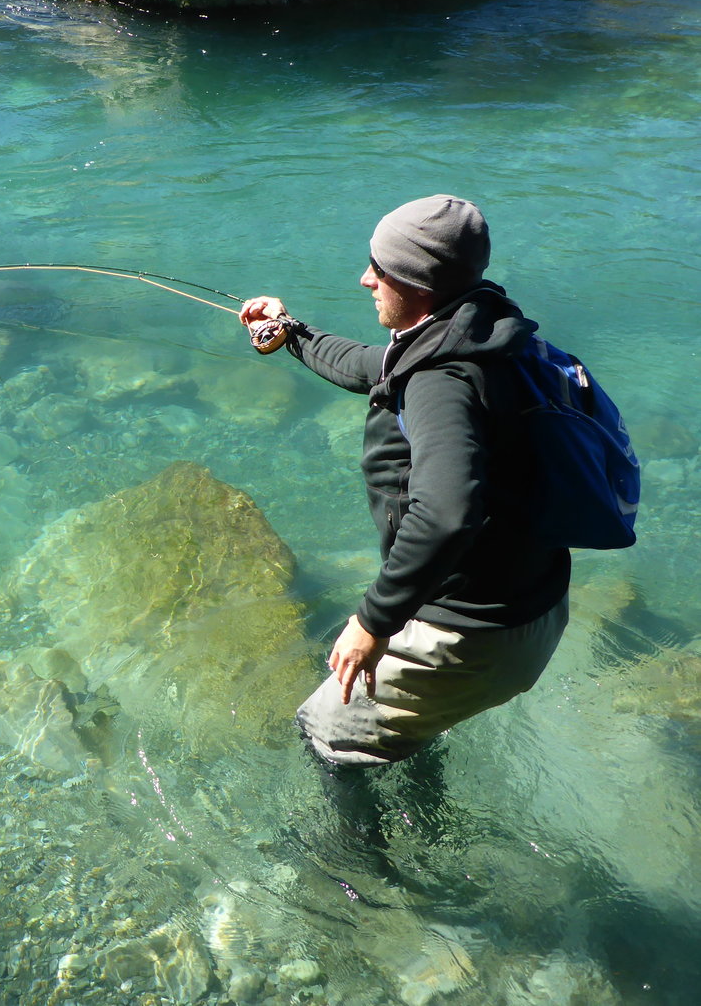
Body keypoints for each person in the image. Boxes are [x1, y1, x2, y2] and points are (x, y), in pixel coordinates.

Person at [239, 195, 570, 769]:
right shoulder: (487, 329)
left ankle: (354, 860)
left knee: (324, 735)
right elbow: (376, 368)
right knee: (398, 729)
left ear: (417, 282)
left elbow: (446, 513)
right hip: (533, 605)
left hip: (472, 634)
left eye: (380, 269)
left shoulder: (442, 380)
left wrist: (373, 621)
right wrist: (291, 332)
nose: (365, 279)